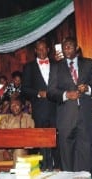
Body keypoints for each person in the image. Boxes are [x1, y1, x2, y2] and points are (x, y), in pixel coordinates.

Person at [47, 37, 92, 174]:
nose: (67, 49)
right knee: (66, 156)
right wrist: (66, 95)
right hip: (65, 118)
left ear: (76, 47)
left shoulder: (88, 63)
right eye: (64, 47)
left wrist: (87, 89)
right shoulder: (55, 67)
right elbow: (51, 92)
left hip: (85, 117)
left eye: (70, 46)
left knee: (85, 155)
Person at [22, 39, 58, 170]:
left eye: (44, 48)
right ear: (35, 51)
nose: (42, 51)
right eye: (39, 49)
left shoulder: (56, 64)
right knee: (42, 140)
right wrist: (38, 93)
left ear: (48, 50)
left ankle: (57, 169)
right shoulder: (29, 67)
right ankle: (44, 169)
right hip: (40, 109)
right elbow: (24, 89)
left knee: (56, 139)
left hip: (56, 108)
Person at [0, 97, 35, 169]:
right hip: (5, 150)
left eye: (16, 105)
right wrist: (5, 150)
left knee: (19, 151)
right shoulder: (5, 119)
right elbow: (0, 137)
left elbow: (30, 138)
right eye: (12, 105)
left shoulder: (28, 118)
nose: (14, 107)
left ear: (22, 106)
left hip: (21, 150)